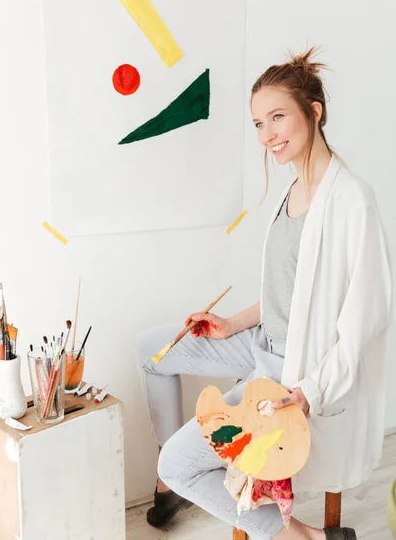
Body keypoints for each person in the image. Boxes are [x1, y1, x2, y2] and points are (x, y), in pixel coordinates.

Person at [136, 47, 392, 540]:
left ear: (313, 112)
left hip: (287, 368)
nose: (267, 134)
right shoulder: (290, 189)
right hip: (258, 340)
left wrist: (309, 393)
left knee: (178, 463)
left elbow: (365, 321)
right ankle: (179, 481)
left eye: (277, 117)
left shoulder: (351, 200)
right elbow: (288, 291)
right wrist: (233, 323)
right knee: (151, 348)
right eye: (257, 123)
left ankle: (296, 533)